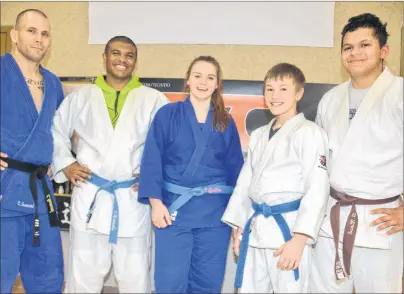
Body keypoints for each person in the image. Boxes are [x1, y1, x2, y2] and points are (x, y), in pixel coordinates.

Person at [51, 36, 168, 293]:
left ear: (135, 62)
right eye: (116, 53)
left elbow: (169, 144)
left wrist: (153, 176)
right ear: (104, 57)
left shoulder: (154, 99)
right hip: (91, 194)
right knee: (82, 275)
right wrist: (66, 163)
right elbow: (56, 131)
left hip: (132, 198)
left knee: (136, 278)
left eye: (129, 55)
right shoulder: (81, 97)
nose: (122, 60)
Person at [310, 13, 403, 293]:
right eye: (348, 47)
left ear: (384, 51)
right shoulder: (331, 99)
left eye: (365, 45)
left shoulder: (400, 93)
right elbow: (318, 160)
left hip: (381, 221)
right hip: (331, 218)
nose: (355, 53)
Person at [138, 55, 244, 293]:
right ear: (187, 80)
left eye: (210, 77)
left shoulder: (225, 121)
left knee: (208, 282)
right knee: (169, 281)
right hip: (173, 212)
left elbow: (237, 171)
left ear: (217, 84)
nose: (203, 82)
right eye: (197, 76)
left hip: (215, 215)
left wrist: (239, 215)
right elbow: (152, 160)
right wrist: (155, 204)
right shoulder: (167, 115)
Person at [221, 63, 330, 293]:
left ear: (299, 93)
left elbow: (317, 188)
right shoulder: (260, 135)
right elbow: (244, 184)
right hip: (256, 230)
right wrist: (238, 227)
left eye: (283, 89)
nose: (274, 96)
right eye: (269, 89)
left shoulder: (310, 133)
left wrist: (299, 240)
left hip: (287, 233)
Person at [0, 9, 64, 294]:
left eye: (45, 34)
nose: (39, 39)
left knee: (47, 275)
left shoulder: (53, 83)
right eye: (31, 31)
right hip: (5, 187)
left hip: (40, 190)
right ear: (14, 35)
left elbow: (58, 134)